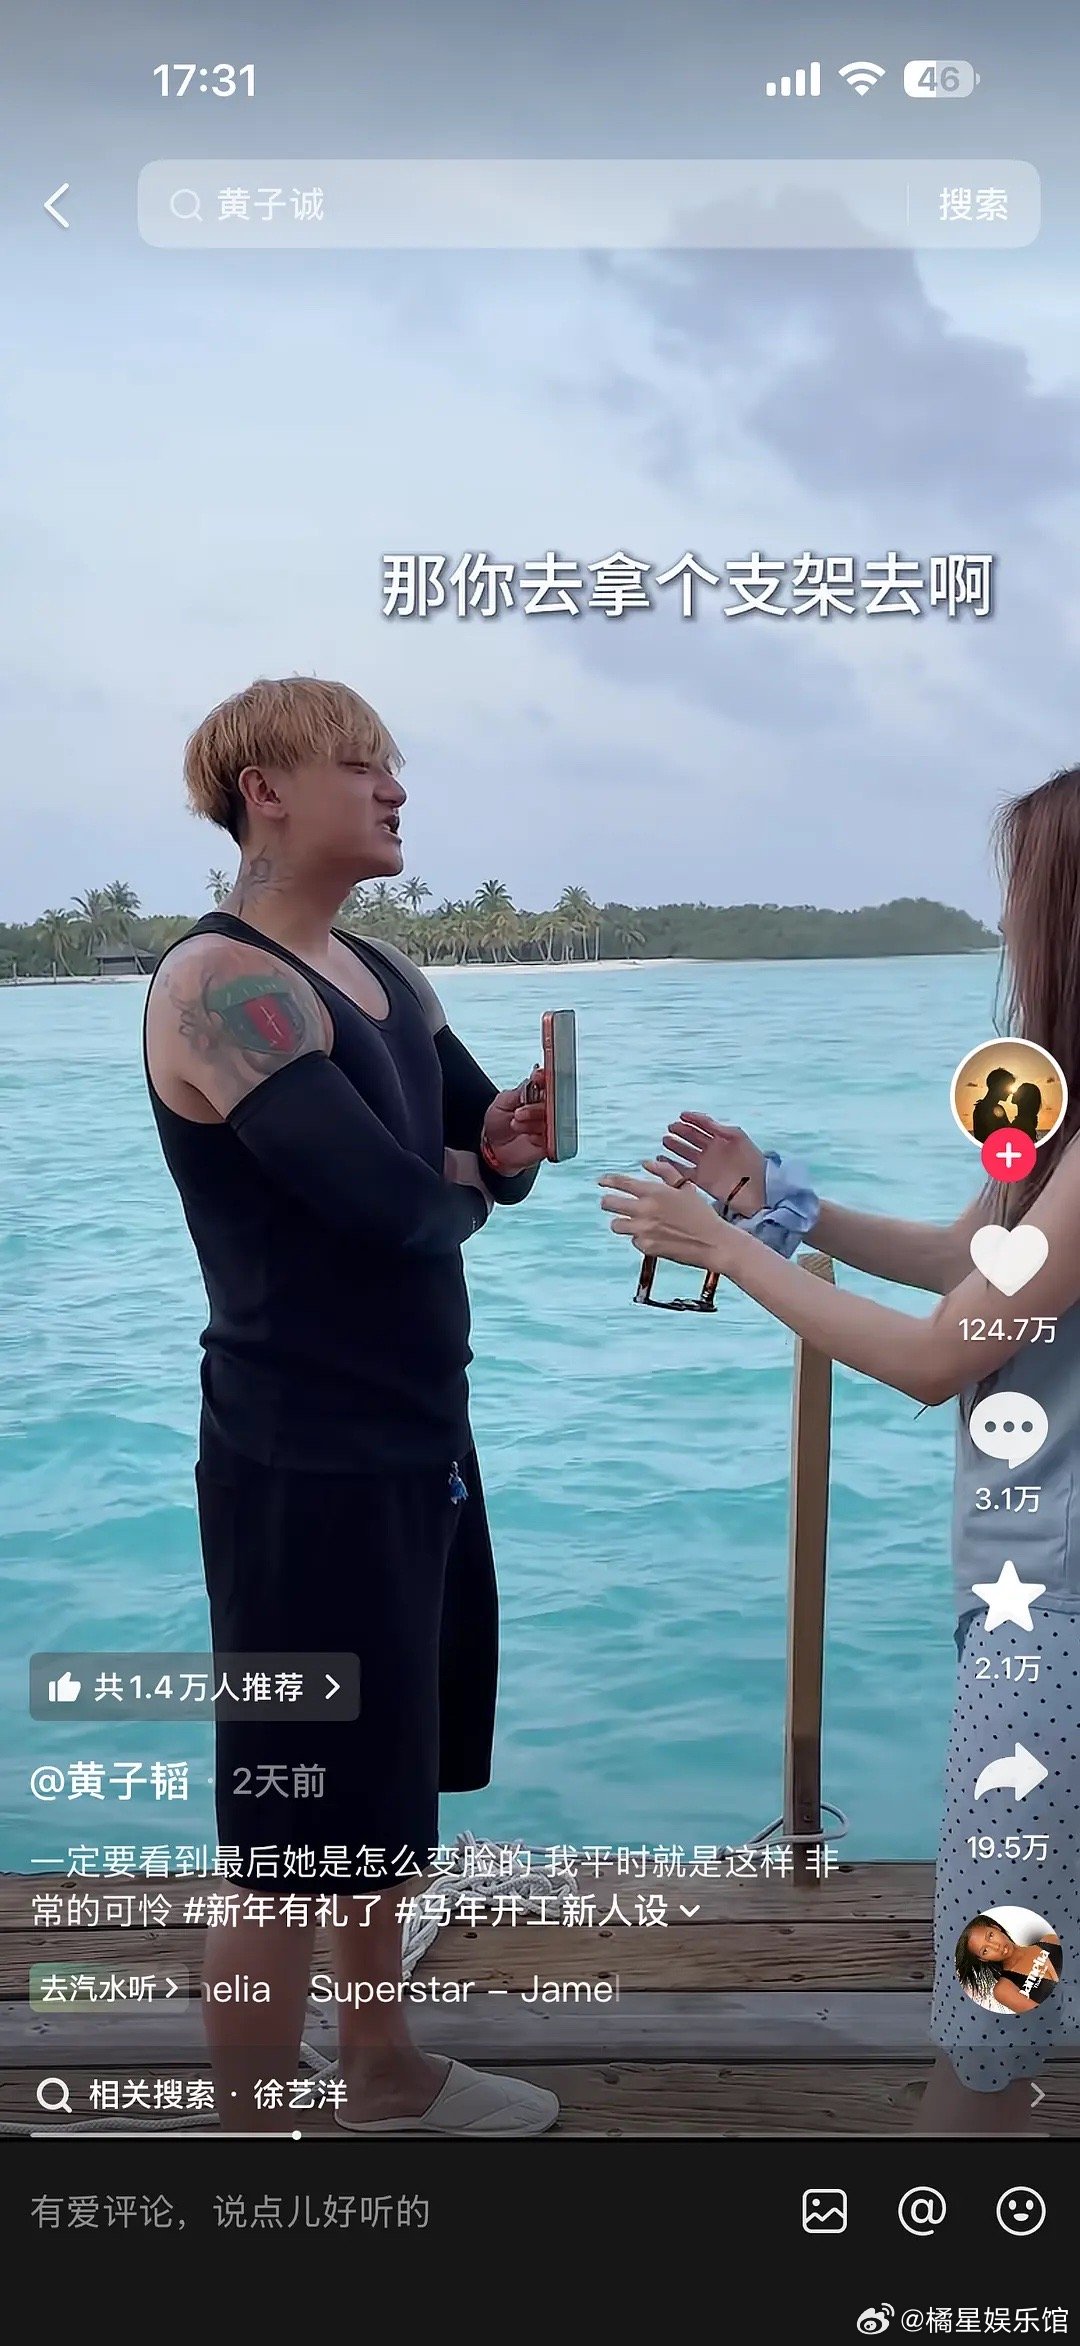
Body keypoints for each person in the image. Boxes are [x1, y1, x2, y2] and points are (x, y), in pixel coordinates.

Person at [600, 760, 1080, 2134]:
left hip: (1055, 1626)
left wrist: (723, 1251)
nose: (1005, 926)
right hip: (1030, 1600)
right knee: (1008, 2003)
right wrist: (787, 1202)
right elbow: (965, 1260)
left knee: (988, 2029)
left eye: (1022, 894)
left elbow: (939, 1355)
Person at [145, 674, 559, 2137]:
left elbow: (470, 1159)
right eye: (362, 765)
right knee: (285, 1830)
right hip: (297, 1458)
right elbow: (387, 1209)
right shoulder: (219, 986)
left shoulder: (387, 974)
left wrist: (496, 1148)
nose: (396, 790)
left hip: (422, 1433)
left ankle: (381, 2068)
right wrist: (462, 1176)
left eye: (394, 764)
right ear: (264, 790)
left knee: (379, 1794)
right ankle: (259, 2139)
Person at [955, 1916, 1061, 2014]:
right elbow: (1045, 2016)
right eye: (985, 1950)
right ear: (983, 1959)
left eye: (990, 1936)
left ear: (996, 1928)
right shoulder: (1004, 1989)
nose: (996, 1946)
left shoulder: (1050, 1940)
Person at [971, 1067, 1016, 1143]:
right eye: (1008, 1087)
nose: (1010, 1092)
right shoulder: (983, 1109)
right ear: (998, 1086)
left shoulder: (998, 1108)